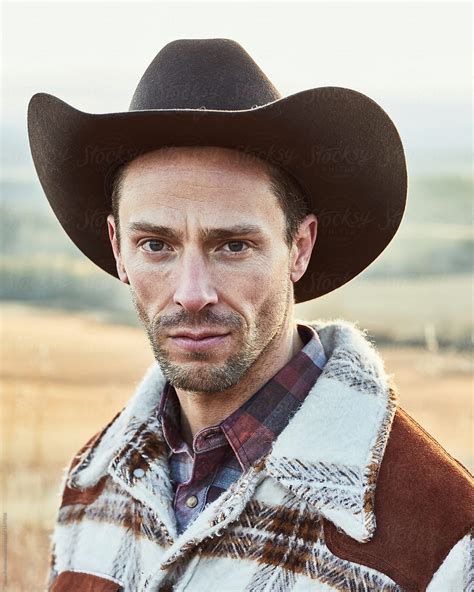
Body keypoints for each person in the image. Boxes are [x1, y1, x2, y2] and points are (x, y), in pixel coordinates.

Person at [28, 38, 472, 592]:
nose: (192, 293)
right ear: (118, 249)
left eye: (233, 245)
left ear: (300, 248)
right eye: (156, 245)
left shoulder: (443, 536)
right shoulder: (93, 483)